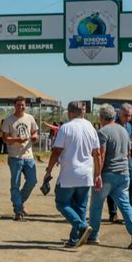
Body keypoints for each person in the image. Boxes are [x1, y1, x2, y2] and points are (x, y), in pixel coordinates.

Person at [43, 101, 100, 248]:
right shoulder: (91, 128)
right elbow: (97, 153)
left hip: (69, 174)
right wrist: (97, 174)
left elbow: (56, 151)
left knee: (61, 203)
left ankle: (81, 227)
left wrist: (48, 170)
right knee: (80, 207)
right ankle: (75, 239)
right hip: (86, 174)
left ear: (70, 112)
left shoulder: (66, 128)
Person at [88, 104, 132, 249]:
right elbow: (127, 154)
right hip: (124, 173)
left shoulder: (103, 132)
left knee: (96, 205)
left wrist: (97, 174)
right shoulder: (124, 131)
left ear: (101, 117)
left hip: (108, 174)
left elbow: (101, 154)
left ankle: (93, 236)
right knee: (125, 205)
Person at [2, 96, 39, 221]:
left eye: (23, 105)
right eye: (18, 105)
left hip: (28, 156)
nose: (21, 107)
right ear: (14, 106)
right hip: (15, 157)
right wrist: (17, 139)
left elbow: (35, 132)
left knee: (32, 181)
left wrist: (34, 137)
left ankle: (20, 200)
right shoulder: (8, 120)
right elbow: (5, 138)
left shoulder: (30, 118)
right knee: (15, 184)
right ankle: (18, 210)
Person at [107, 103, 132, 222]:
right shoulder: (113, 125)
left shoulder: (129, 126)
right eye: (125, 115)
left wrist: (131, 144)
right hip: (115, 159)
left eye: (129, 115)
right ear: (119, 113)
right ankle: (113, 213)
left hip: (128, 160)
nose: (127, 117)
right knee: (112, 187)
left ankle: (128, 211)